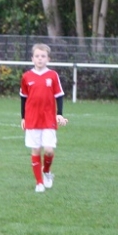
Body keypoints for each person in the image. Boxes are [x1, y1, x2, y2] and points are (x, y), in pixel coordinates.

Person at [20, 43, 68, 193]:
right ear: (32, 58)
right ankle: (39, 183)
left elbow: (59, 95)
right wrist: (23, 118)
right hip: (32, 119)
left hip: (48, 118)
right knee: (35, 150)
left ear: (48, 59)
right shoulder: (26, 76)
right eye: (37, 56)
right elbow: (23, 98)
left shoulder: (52, 75)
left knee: (48, 150)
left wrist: (59, 114)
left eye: (43, 56)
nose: (40, 59)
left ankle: (46, 171)